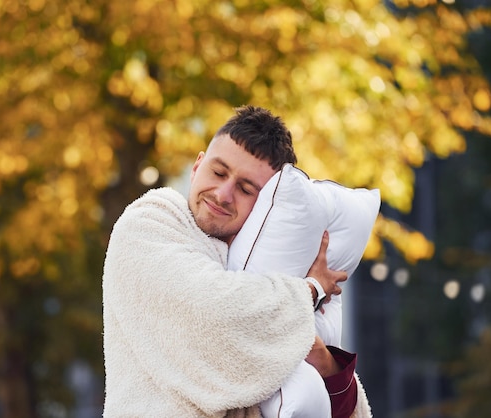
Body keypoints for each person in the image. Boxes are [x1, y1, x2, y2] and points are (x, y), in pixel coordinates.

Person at [102, 105, 371, 417]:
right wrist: (310, 290)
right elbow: (214, 313)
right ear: (197, 165)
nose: (223, 194)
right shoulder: (149, 224)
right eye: (217, 173)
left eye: (245, 189)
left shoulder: (264, 272)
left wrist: (324, 360)